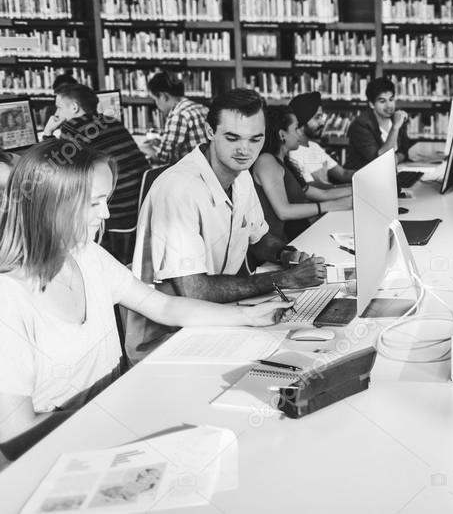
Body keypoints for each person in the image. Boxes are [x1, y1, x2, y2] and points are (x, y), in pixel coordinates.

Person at [0, 140, 288, 459]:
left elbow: (161, 305)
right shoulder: (9, 299)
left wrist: (247, 317)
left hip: (115, 431)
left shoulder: (87, 254)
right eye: (94, 203)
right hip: (60, 455)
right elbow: (15, 434)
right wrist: (123, 412)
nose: (107, 213)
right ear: (52, 204)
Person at [129, 88, 326, 362]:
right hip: (168, 339)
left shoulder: (240, 173)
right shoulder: (179, 189)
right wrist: (285, 279)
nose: (245, 150)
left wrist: (284, 255)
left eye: (255, 139)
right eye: (232, 138)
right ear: (210, 132)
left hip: (222, 316)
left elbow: (259, 238)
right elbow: (195, 291)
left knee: (309, 351)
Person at [48, 84, 150, 233]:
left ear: (75, 107)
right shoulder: (112, 121)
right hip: (140, 206)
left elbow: (55, 169)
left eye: (59, 107)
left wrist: (48, 132)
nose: (56, 113)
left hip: (114, 210)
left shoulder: (72, 129)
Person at [252, 107, 352, 242]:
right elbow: (284, 211)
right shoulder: (266, 161)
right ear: (282, 134)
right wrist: (332, 205)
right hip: (282, 245)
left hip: (300, 236)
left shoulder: (286, 163)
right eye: (296, 129)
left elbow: (322, 194)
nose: (300, 133)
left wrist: (356, 190)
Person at [142, 71, 212, 165]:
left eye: (155, 99)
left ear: (164, 96)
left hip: (193, 173)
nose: (156, 104)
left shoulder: (178, 116)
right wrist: (160, 143)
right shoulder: (201, 108)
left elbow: (163, 158)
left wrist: (143, 148)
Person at [344, 77, 411, 172]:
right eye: (382, 101)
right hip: (363, 179)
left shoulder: (396, 118)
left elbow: (405, 151)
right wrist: (395, 128)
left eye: (391, 99)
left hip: (388, 175)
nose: (389, 106)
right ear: (371, 104)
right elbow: (379, 160)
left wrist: (396, 159)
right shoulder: (360, 125)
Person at [286, 92, 352, 185]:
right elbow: (312, 190)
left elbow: (343, 174)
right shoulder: (293, 154)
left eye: (321, 117)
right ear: (302, 120)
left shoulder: (314, 147)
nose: (322, 122)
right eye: (317, 117)